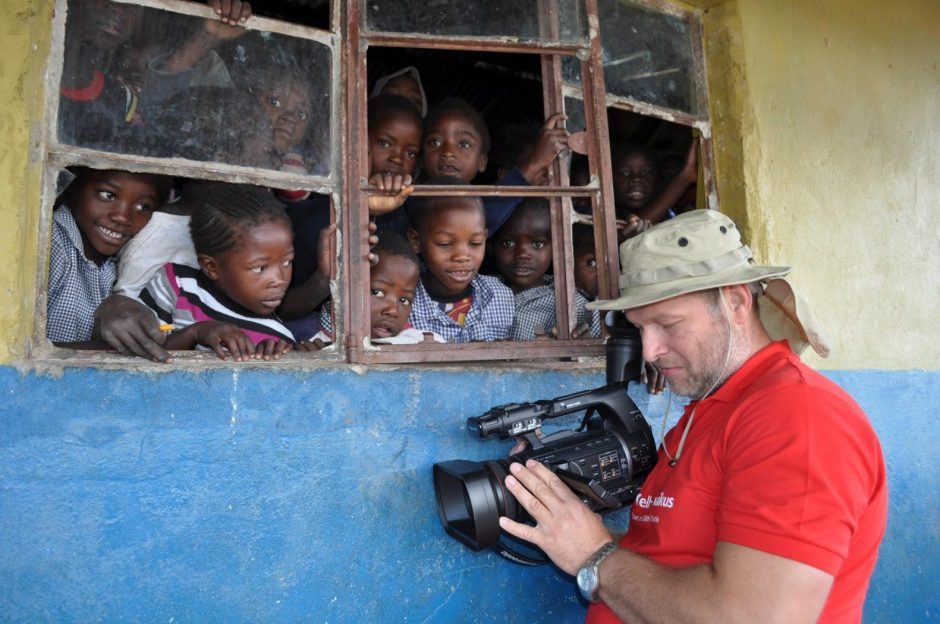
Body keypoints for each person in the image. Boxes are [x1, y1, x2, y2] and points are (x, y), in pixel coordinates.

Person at [499, 209, 887, 623]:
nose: (650, 351)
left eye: (668, 324)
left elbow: (753, 618)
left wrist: (597, 558)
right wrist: (576, 534)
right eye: (639, 328)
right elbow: (670, 555)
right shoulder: (714, 407)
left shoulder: (797, 417)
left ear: (735, 303)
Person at [134, 183, 296, 361]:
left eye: (287, 262)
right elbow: (140, 354)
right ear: (211, 267)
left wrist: (269, 361)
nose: (279, 279)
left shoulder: (278, 338)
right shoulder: (175, 285)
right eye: (259, 268)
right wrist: (195, 333)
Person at [47, 167, 171, 344]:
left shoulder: (122, 261)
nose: (122, 217)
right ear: (73, 188)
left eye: (143, 207)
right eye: (107, 195)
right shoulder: (51, 244)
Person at [422, 98, 569, 233]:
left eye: (463, 144)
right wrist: (534, 163)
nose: (448, 152)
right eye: (434, 142)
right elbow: (484, 217)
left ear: (481, 162)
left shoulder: (488, 207)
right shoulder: (411, 200)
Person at [405, 187, 514, 342]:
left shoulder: (500, 296)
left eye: (475, 243)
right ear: (416, 241)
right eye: (445, 244)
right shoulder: (403, 302)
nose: (462, 256)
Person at [308, 231, 444, 347]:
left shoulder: (420, 342)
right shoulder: (309, 340)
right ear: (343, 287)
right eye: (376, 292)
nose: (392, 310)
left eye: (404, 300)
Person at [489, 198, 591, 340]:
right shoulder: (480, 293)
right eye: (508, 243)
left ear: (556, 248)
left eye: (538, 244)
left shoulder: (571, 303)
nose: (522, 255)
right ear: (490, 247)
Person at [612, 139, 697, 225]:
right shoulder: (606, 218)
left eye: (646, 172)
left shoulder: (675, 217)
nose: (636, 178)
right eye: (624, 173)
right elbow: (631, 231)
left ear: (658, 181)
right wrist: (685, 177)